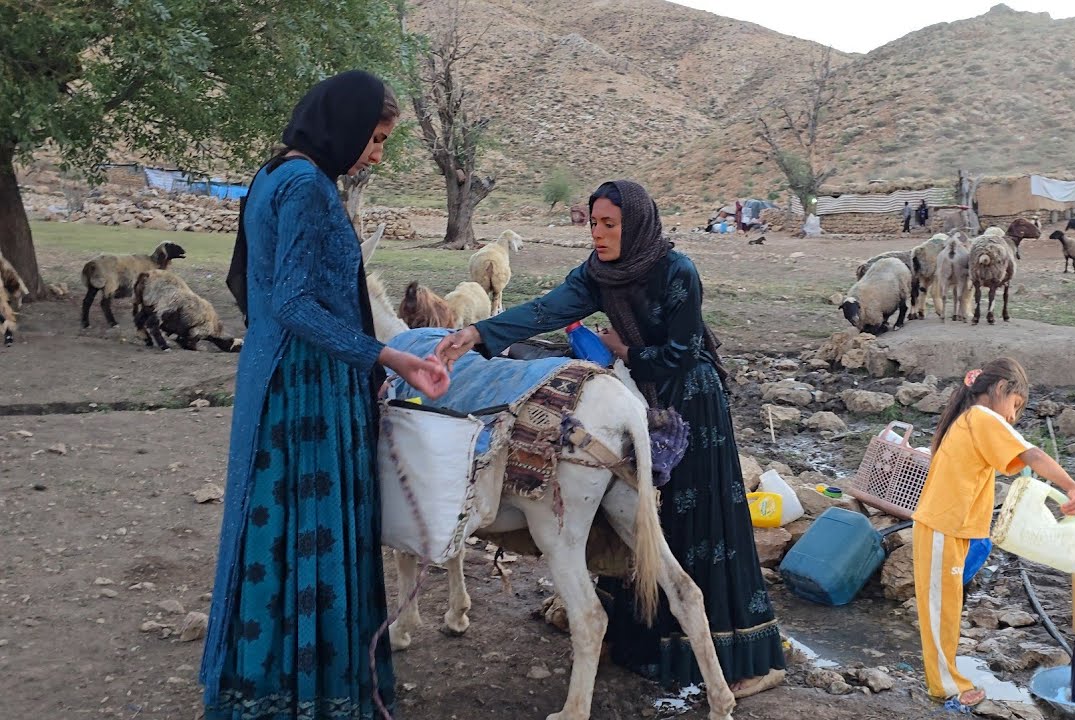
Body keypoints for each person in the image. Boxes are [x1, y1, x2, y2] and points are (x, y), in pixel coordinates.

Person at [435, 180, 787, 698]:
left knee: (692, 523)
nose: (598, 234)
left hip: (690, 400)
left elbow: (684, 352)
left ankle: (737, 659)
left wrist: (624, 348)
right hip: (637, 401)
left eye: (609, 225)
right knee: (636, 520)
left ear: (635, 224)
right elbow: (545, 309)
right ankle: (641, 643)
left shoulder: (677, 271)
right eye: (593, 224)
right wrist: (481, 335)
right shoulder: (598, 273)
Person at [202, 70, 450, 719]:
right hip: (305, 394)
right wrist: (387, 353)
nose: (376, 152)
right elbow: (292, 303)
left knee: (271, 534)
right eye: (374, 137)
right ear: (343, 124)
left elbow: (251, 284)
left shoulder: (270, 176)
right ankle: (313, 694)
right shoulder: (309, 187)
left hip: (271, 379)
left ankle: (261, 685)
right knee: (309, 534)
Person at [911, 358, 1075, 709]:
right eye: (1016, 405)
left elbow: (1015, 466)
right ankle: (946, 686)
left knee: (948, 606)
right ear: (1000, 389)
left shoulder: (972, 421)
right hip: (942, 527)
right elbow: (1030, 453)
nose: (1013, 417)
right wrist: (1071, 487)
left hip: (953, 527)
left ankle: (947, 679)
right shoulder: (981, 417)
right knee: (939, 609)